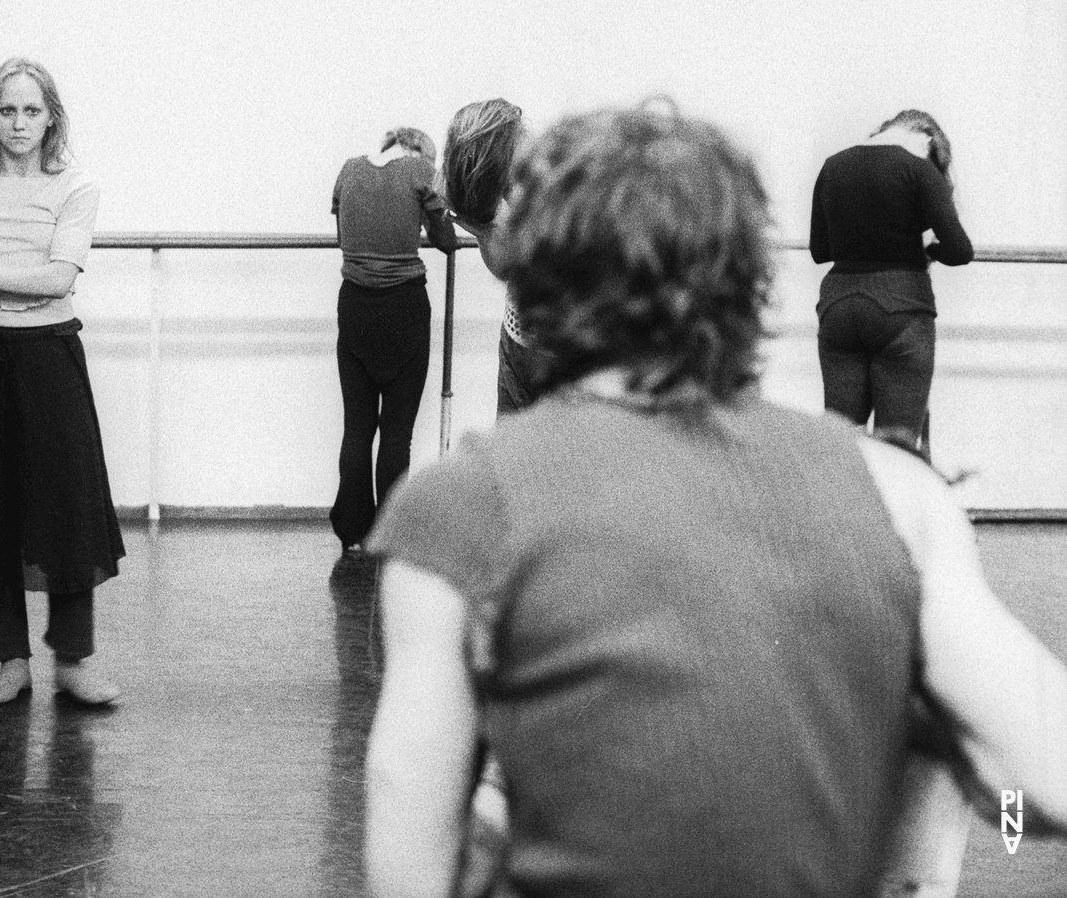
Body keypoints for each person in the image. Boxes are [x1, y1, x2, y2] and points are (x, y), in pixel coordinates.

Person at [364, 106, 1067, 898]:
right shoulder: (899, 494)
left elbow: (408, 866)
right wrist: (948, 788)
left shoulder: (453, 509)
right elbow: (1041, 787)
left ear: (541, 266)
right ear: (745, 278)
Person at [0, 57, 124, 706]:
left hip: (50, 357)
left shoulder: (75, 186)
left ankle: (73, 658)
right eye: (7, 110)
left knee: (65, 509)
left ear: (51, 118)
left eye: (31, 110)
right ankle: (9, 660)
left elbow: (59, 277)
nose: (19, 122)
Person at [328, 127, 456, 579]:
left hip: (355, 308)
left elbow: (344, 237)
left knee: (356, 428)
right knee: (396, 432)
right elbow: (445, 241)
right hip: (403, 309)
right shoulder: (421, 172)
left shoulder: (349, 170)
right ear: (421, 152)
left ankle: (351, 532)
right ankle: (391, 534)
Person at [811, 110, 973, 455]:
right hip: (901, 306)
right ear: (926, 139)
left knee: (841, 444)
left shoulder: (833, 166)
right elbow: (960, 250)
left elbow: (820, 250)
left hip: (838, 307)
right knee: (897, 450)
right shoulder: (918, 169)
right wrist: (930, 247)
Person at [437, 99, 544, 415]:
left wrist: (500, 228)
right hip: (517, 340)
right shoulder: (490, 189)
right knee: (510, 452)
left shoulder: (549, 186)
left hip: (558, 354)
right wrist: (486, 230)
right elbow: (504, 271)